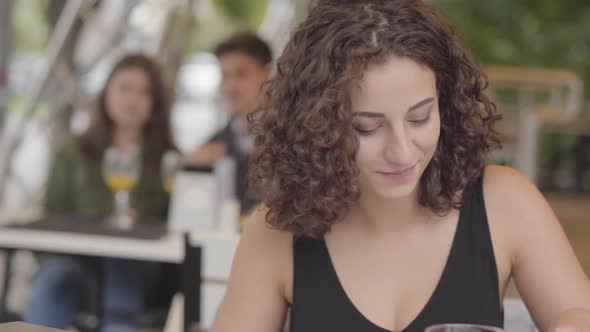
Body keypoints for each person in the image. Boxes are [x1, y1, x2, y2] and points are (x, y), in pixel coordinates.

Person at [212, 1, 590, 332]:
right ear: (318, 125)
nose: (402, 151)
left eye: (420, 118)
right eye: (368, 127)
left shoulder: (506, 203)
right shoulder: (276, 230)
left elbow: (579, 313)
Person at [25, 54, 176, 331]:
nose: (133, 100)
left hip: (138, 270)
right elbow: (51, 217)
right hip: (76, 263)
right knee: (54, 278)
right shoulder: (73, 153)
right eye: (124, 88)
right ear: (106, 92)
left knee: (124, 264)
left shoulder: (166, 159)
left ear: (155, 103)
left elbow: (174, 222)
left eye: (144, 92)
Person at [187, 32, 273, 213]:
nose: (230, 86)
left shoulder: (296, 142)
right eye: (225, 75)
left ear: (268, 74)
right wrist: (190, 168)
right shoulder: (211, 147)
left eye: (241, 74)